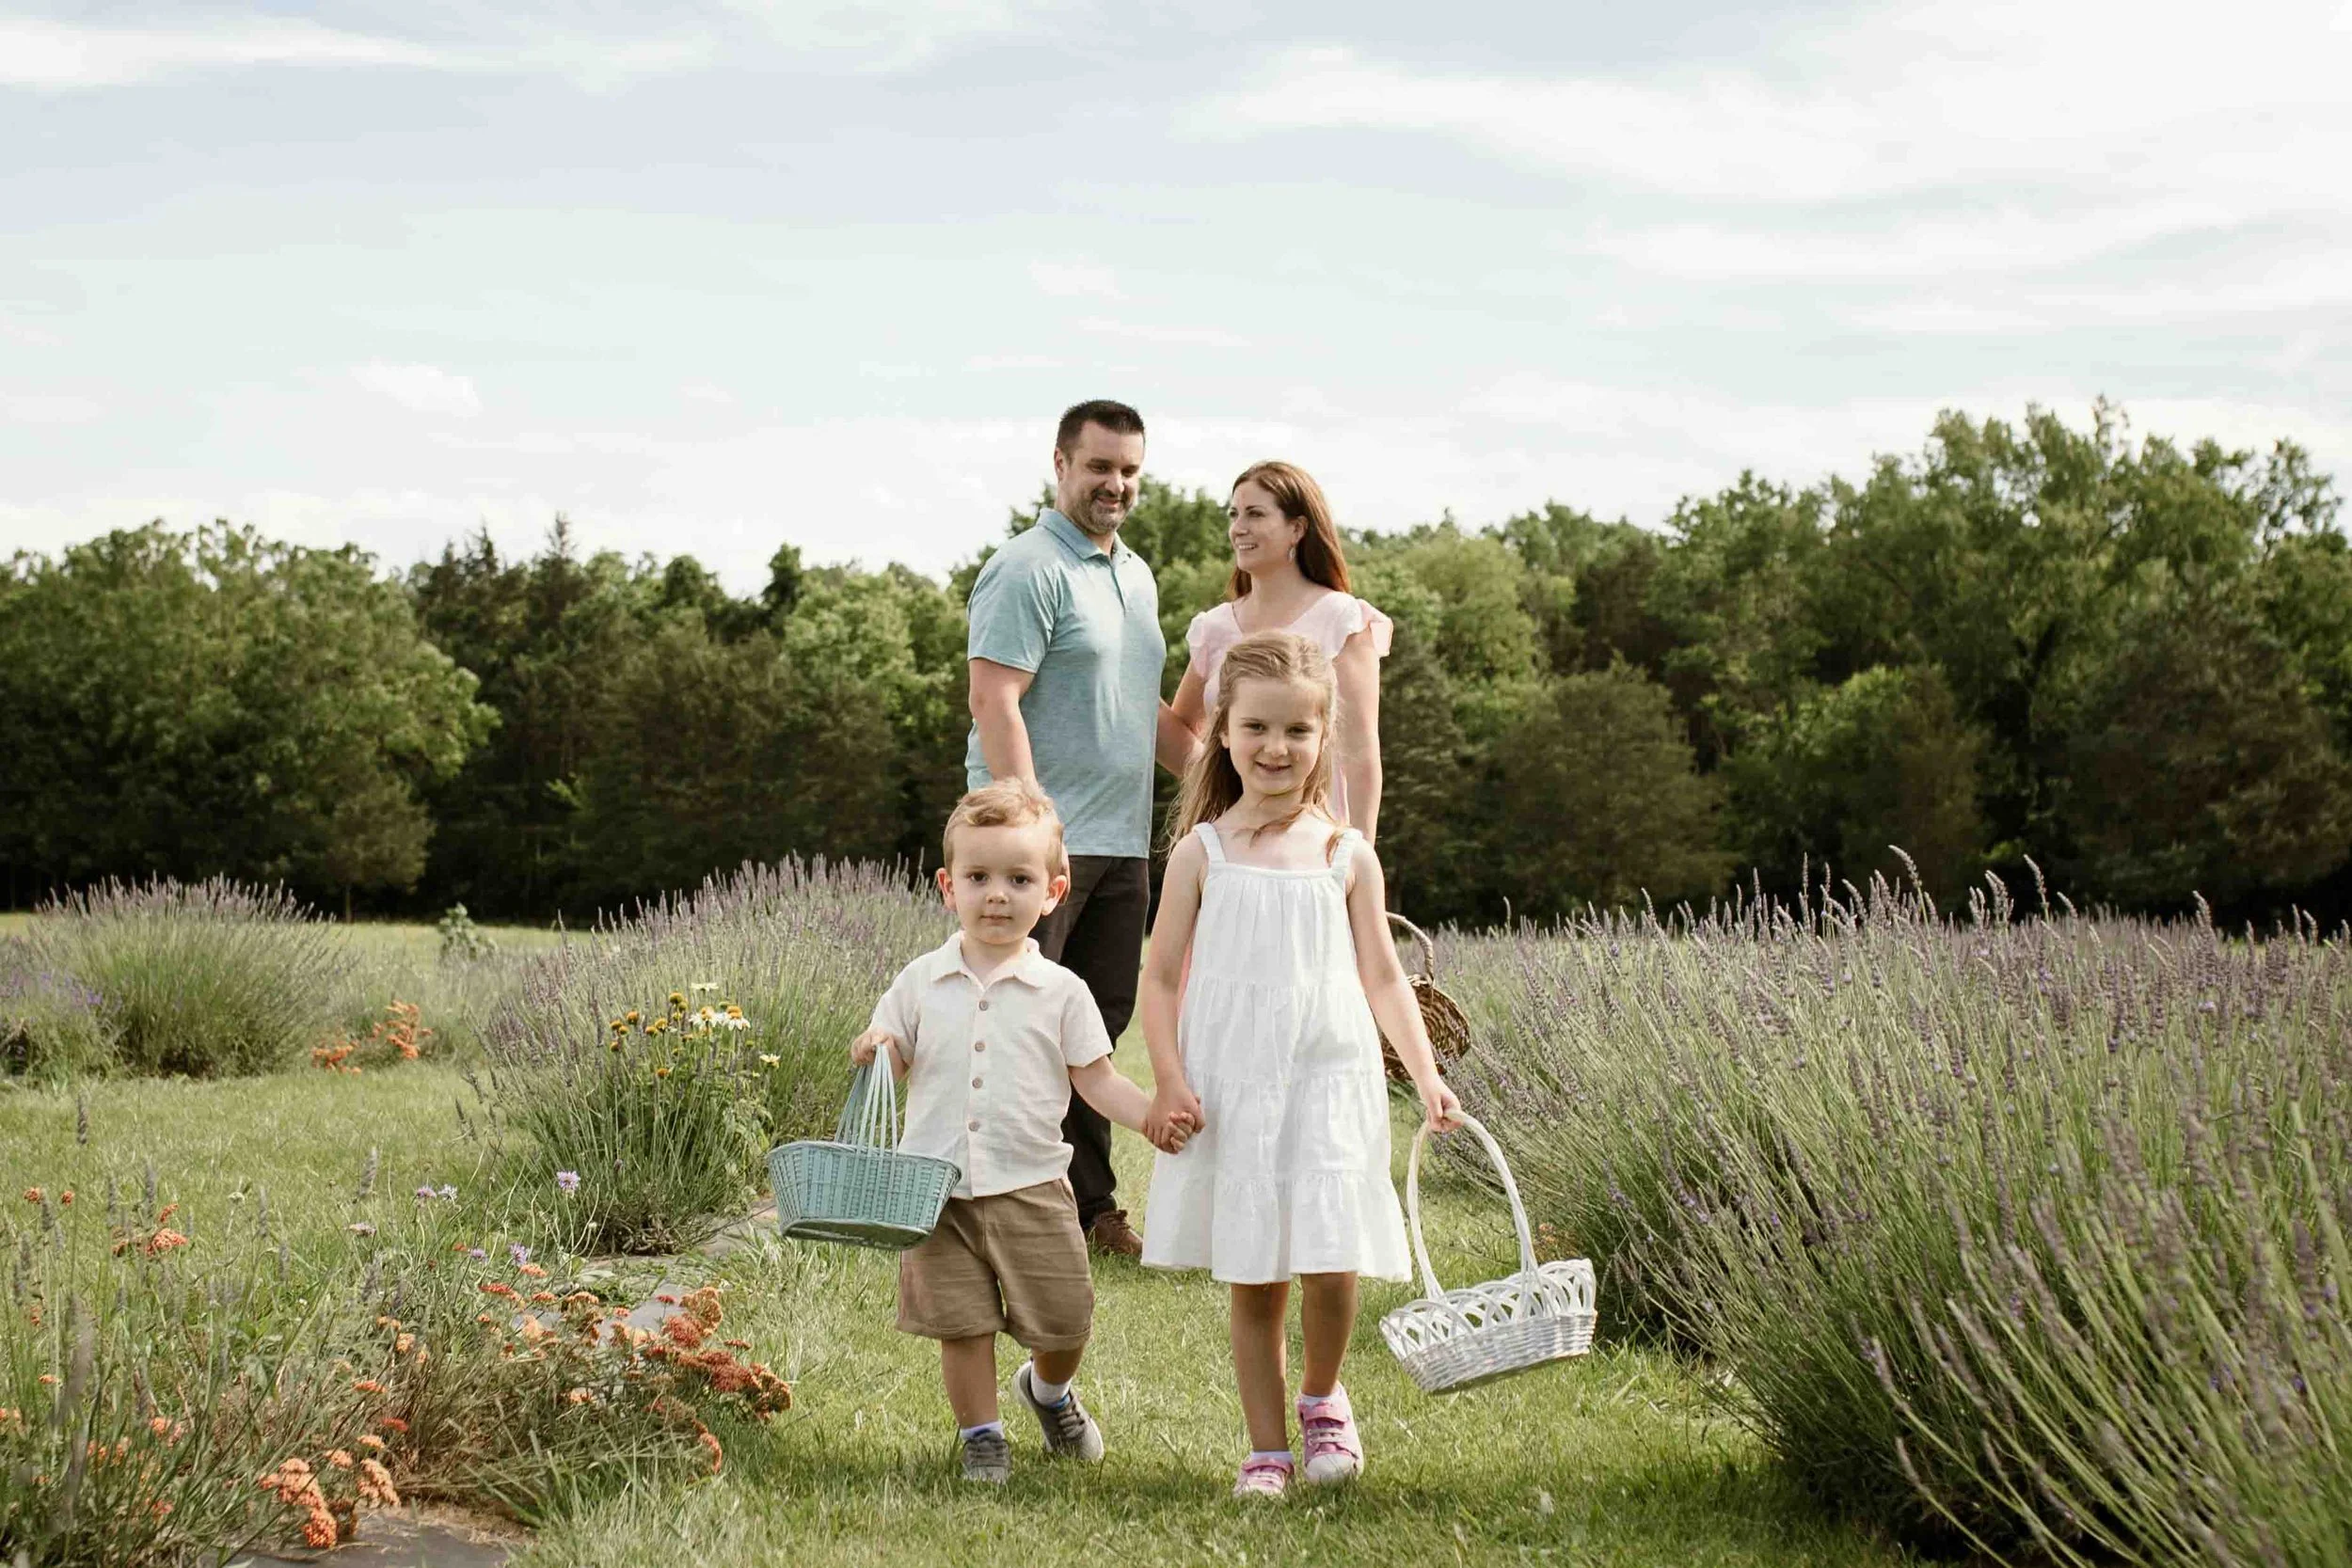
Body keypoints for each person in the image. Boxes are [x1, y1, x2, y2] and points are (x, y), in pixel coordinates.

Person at [1136, 631, 1463, 1498]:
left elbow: (1383, 975)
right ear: (1226, 734)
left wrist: (1424, 1073)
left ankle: (1322, 1394)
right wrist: (1169, 1075)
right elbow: (1160, 977)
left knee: (1330, 1256)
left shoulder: (1345, 854)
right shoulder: (1202, 852)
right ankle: (1266, 1447)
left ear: (1323, 738)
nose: (1276, 749)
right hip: (1234, 1080)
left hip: (1328, 1074)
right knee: (1255, 1271)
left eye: (1296, 732)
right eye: (1256, 729)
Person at [852, 779, 1194, 1485]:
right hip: (936, 1188)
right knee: (963, 1322)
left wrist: (1151, 1116)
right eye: (978, 877)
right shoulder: (921, 981)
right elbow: (895, 1053)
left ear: (1054, 889)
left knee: (1066, 1319)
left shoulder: (1062, 992)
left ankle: (1048, 1389)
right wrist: (876, 1046)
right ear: (948, 887)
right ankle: (982, 1436)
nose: (997, 894)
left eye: (1018, 878)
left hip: (1032, 1184)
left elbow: (1095, 1080)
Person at [964, 399, 1194, 1258]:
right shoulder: (1027, 568)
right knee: (1016, 1025)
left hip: (1123, 842)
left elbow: (1148, 712)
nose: (1116, 485)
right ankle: (997, 1201)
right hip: (1036, 851)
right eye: (1100, 467)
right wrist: (1034, 833)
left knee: (1094, 1024)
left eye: (1130, 470)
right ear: (1060, 464)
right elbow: (995, 699)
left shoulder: (1136, 575)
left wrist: (1235, 786)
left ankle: (1091, 1208)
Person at [1168, 461, 1391, 841]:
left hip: (1315, 845)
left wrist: (1358, 861)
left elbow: (1361, 753)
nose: (1238, 528)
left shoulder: (1342, 619)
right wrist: (1227, 784)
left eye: (1255, 514)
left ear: (1297, 529)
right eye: (1234, 514)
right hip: (1230, 841)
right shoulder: (1214, 628)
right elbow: (1181, 729)